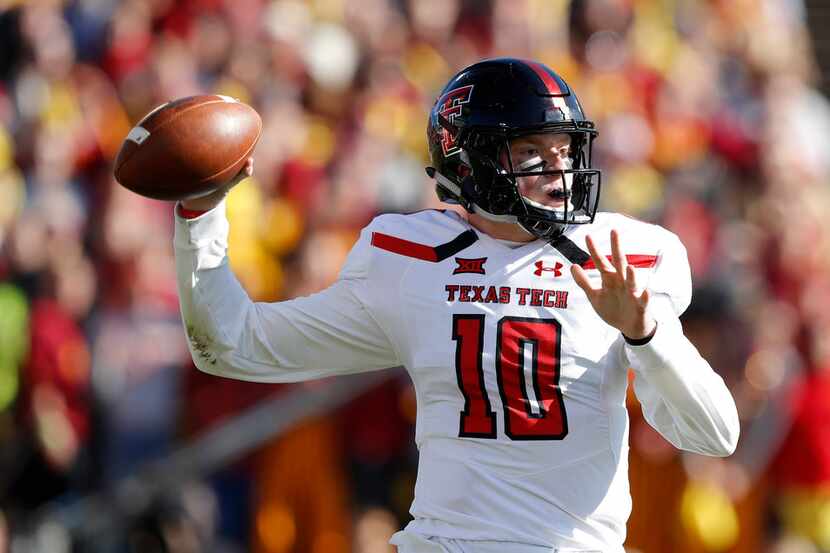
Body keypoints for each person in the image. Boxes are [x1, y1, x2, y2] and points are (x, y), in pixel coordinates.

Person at [173, 58, 739, 553]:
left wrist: (646, 334)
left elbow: (714, 435)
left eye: (564, 150)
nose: (560, 172)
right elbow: (232, 344)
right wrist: (201, 217)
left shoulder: (624, 256)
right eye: (532, 152)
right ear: (473, 163)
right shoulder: (407, 257)